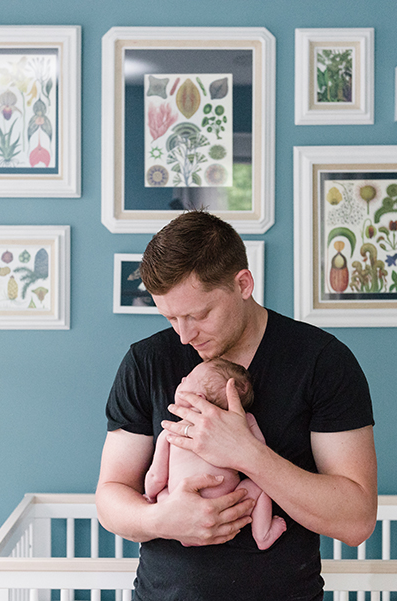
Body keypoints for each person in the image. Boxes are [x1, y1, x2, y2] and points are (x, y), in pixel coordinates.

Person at [96, 210, 377, 600]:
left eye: (199, 315)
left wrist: (247, 453)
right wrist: (160, 519)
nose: (184, 335)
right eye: (171, 318)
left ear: (243, 284)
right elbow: (110, 497)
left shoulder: (322, 362)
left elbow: (356, 522)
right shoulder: (146, 363)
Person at [143, 357, 287, 551]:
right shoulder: (241, 423)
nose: (182, 379)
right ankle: (263, 534)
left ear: (198, 398)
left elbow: (156, 477)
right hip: (228, 507)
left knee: (163, 493)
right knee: (261, 485)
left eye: (187, 378)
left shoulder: (170, 432)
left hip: (182, 512)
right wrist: (249, 422)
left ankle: (183, 535)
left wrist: (152, 497)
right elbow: (260, 451)